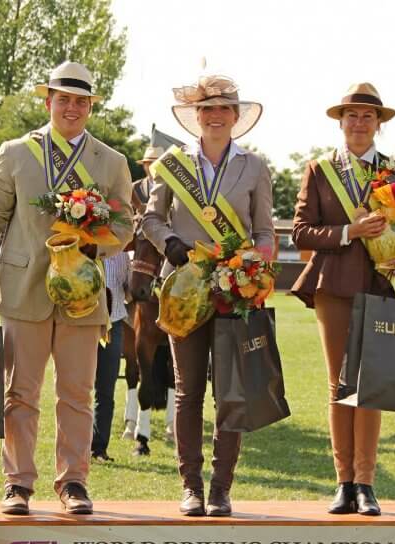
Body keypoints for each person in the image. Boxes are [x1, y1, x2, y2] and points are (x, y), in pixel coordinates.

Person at [0, 61, 132, 516]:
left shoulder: (111, 162)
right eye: (64, 99)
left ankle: (74, 481)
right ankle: (17, 483)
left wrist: (93, 249)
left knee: (77, 394)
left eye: (81, 101)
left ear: (90, 107)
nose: (72, 108)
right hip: (23, 286)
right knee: (19, 392)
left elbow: (124, 223)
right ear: (48, 102)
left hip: (83, 293)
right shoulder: (16, 152)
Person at [289, 83, 395, 516]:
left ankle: (366, 484)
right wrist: (351, 232)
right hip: (333, 286)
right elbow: (300, 232)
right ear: (340, 121)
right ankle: (343, 482)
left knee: (370, 388)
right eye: (351, 115)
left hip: (381, 285)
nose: (358, 123)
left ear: (379, 124)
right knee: (339, 386)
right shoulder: (318, 170)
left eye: (367, 116)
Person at [141, 74, 275, 517]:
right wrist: (170, 245)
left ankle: (221, 488)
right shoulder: (171, 164)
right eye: (207, 109)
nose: (216, 116)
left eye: (224, 109)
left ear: (236, 117)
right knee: (188, 392)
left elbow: (263, 231)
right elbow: (151, 219)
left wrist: (252, 265)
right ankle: (191, 486)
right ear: (196, 117)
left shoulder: (254, 167)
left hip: (234, 292)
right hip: (184, 292)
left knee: (232, 393)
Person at [90, 251, 130, 462]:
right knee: (77, 388)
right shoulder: (83, 247)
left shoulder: (121, 255)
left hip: (113, 326)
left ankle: (99, 448)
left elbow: (129, 290)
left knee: (106, 389)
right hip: (83, 325)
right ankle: (77, 448)